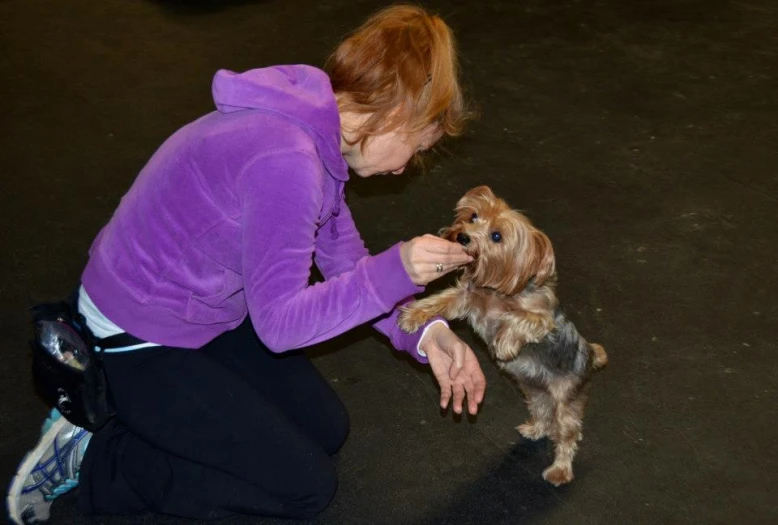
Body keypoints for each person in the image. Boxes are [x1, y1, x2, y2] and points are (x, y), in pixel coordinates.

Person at [6, 5, 486, 524]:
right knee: (303, 489)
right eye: (415, 148)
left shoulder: (313, 126)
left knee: (325, 429)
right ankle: (100, 456)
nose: (403, 168)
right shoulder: (288, 161)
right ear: (395, 115)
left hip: (201, 314)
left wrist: (425, 330)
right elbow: (280, 327)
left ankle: (150, 422)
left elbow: (347, 262)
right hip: (136, 333)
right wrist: (398, 270)